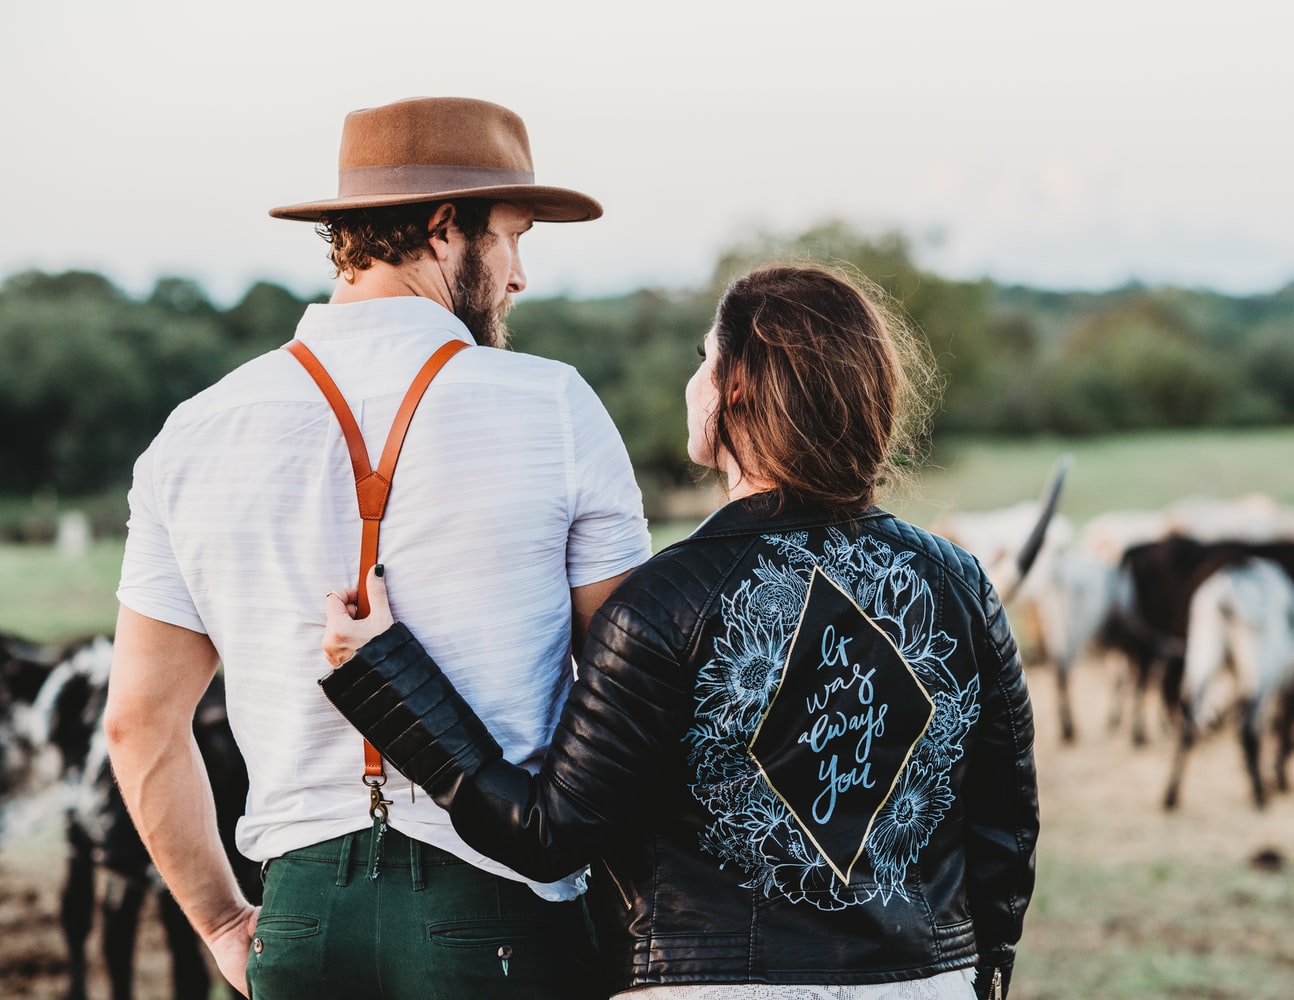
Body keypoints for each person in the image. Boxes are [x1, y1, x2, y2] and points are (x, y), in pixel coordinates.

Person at [321, 263, 1041, 999]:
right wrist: (980, 970)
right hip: (929, 982)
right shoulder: (960, 584)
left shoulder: (661, 604)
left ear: (735, 387)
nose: (693, 380)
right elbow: (1004, 832)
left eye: (705, 357)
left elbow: (547, 835)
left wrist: (386, 671)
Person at [104, 96, 652, 999]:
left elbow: (139, 724)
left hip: (303, 921)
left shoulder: (193, 434)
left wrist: (222, 922)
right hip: (504, 914)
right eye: (514, 237)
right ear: (444, 231)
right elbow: (628, 692)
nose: (519, 277)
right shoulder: (552, 407)